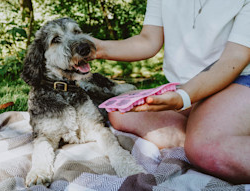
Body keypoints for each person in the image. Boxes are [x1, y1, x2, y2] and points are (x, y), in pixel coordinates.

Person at [91, 0, 250, 184]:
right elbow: (148, 40)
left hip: (237, 81)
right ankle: (208, 133)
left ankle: (206, 140)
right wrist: (98, 48)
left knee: (204, 148)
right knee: (121, 112)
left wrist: (183, 97)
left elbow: (234, 58)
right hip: (184, 86)